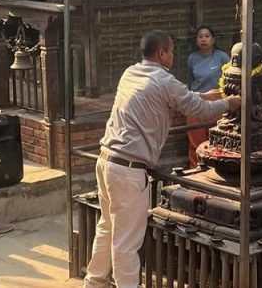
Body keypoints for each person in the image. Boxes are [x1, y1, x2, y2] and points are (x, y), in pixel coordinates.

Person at [84, 30, 241, 288]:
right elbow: (198, 110)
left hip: (107, 160)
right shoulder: (164, 80)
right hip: (128, 170)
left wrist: (208, 95)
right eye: (171, 51)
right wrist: (229, 103)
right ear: (161, 53)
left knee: (108, 227)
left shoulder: (131, 73)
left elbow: (182, 98)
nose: (173, 56)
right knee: (126, 242)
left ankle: (94, 282)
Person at [185, 25, 229, 167]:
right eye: (200, 37)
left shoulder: (221, 56)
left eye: (207, 36)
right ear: (196, 40)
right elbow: (190, 81)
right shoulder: (192, 58)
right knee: (196, 141)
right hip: (197, 100)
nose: (203, 39)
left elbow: (229, 78)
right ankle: (196, 169)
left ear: (213, 39)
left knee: (219, 139)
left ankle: (218, 168)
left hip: (218, 100)